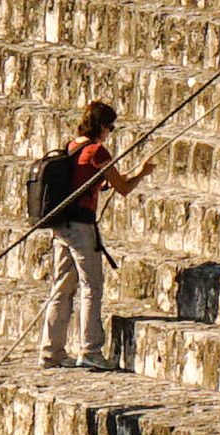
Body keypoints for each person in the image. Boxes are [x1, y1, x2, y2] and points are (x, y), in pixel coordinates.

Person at [32, 102, 140, 370]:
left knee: (62, 287)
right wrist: (143, 172)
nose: (110, 133)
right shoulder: (97, 151)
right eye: (110, 127)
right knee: (91, 285)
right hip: (81, 228)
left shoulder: (72, 147)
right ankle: (90, 349)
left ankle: (51, 351)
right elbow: (124, 187)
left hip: (62, 226)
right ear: (102, 126)